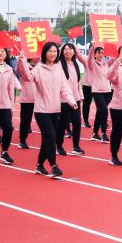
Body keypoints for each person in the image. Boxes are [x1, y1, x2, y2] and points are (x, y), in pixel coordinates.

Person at [18, 42, 77, 178]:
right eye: (50, 51)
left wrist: (72, 101)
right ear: (44, 53)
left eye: (55, 51)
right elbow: (28, 77)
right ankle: (53, 166)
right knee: (50, 136)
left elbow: (65, 88)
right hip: (41, 110)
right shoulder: (38, 68)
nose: (53, 54)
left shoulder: (58, 68)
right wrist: (23, 62)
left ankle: (39, 164)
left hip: (55, 109)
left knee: (48, 138)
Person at [73, 45, 113, 142]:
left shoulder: (106, 63)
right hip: (96, 90)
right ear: (94, 54)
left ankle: (95, 133)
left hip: (107, 90)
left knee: (100, 111)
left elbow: (115, 59)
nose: (101, 55)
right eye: (99, 53)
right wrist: (92, 48)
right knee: (103, 110)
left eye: (102, 53)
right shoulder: (92, 64)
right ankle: (103, 133)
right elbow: (87, 58)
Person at [58, 43, 85, 155]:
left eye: (70, 49)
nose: (68, 51)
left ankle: (76, 146)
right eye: (65, 49)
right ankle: (59, 146)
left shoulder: (75, 64)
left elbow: (77, 83)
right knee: (62, 124)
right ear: (62, 51)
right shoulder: (58, 65)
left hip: (75, 99)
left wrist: (80, 96)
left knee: (77, 122)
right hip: (63, 100)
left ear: (74, 52)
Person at [17, 58, 38, 149]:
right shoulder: (24, 65)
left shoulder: (42, 66)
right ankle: (22, 140)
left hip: (41, 99)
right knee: (25, 121)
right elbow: (19, 71)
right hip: (27, 98)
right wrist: (21, 61)